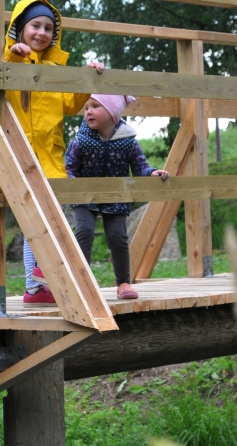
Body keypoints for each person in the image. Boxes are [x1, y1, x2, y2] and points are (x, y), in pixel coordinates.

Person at [5, 0, 103, 303]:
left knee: (44, 222)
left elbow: (73, 104)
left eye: (48, 28)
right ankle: (41, 278)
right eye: (35, 25)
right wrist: (15, 55)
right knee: (39, 222)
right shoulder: (11, 60)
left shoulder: (54, 69)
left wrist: (88, 77)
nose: (41, 32)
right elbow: (1, 78)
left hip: (51, 158)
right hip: (21, 156)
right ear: (20, 29)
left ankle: (35, 287)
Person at [64, 94, 170, 300]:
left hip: (116, 195)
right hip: (85, 195)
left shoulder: (128, 142)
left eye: (95, 106)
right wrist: (73, 186)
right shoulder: (81, 141)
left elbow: (140, 166)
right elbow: (70, 167)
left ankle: (123, 283)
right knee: (84, 231)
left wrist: (151, 172)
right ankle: (81, 282)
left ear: (113, 113)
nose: (88, 112)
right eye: (86, 108)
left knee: (118, 238)